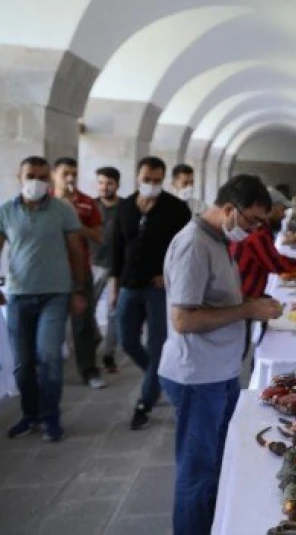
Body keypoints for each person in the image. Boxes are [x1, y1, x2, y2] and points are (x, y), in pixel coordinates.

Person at [158, 174, 283, 535]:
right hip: (197, 375)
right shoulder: (194, 244)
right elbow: (183, 319)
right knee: (197, 473)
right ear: (229, 209)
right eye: (253, 221)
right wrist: (247, 311)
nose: (257, 229)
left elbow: (215, 301)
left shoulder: (218, 240)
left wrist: (251, 304)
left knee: (216, 463)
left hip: (220, 370)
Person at [0, 156, 87, 441]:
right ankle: (30, 414)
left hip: (55, 293)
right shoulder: (6, 211)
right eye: (30, 175)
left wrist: (78, 289)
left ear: (49, 180)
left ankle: (50, 416)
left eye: (41, 176)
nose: (35, 181)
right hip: (19, 294)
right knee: (22, 362)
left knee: (48, 355)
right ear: (19, 176)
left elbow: (76, 251)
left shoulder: (61, 210)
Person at [111, 157, 192, 430]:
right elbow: (117, 247)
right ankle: (157, 376)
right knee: (126, 339)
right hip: (128, 284)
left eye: (157, 181)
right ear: (137, 177)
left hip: (159, 288)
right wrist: (114, 286)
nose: (152, 185)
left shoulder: (176, 209)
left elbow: (185, 250)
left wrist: (169, 277)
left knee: (158, 343)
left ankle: (144, 402)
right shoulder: (124, 206)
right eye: (147, 180)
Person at [51, 157, 105, 389]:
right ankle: (50, 374)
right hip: (49, 271)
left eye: (74, 173)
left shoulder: (85, 203)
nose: (70, 178)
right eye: (65, 173)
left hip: (79, 270)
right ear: (54, 174)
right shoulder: (45, 202)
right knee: (52, 324)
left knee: (82, 322)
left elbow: (98, 236)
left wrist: (73, 219)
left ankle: (89, 371)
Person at [230, 187, 296, 299]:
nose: (284, 215)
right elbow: (276, 264)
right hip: (242, 299)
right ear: (270, 209)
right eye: (282, 210)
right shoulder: (257, 233)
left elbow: (273, 257)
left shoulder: (260, 230)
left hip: (246, 294)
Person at [91, 166, 121, 373]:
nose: (104, 187)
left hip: (117, 265)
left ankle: (109, 353)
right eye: (101, 182)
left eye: (109, 183)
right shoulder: (90, 206)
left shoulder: (126, 207)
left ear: (117, 184)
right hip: (93, 263)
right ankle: (94, 338)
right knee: (86, 308)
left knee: (114, 310)